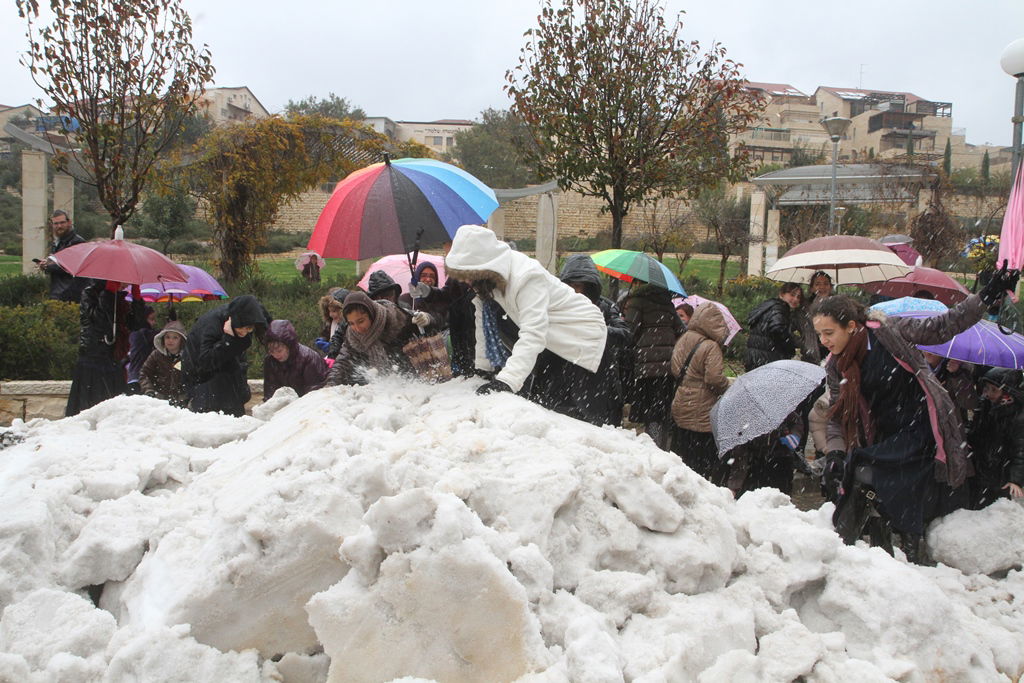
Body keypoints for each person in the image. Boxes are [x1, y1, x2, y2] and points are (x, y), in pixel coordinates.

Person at [812, 277, 1009, 562]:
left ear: (851, 326)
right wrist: (835, 452)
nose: (824, 341)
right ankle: (886, 556)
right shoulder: (836, 366)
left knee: (866, 473)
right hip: (886, 433)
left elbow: (942, 327)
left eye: (829, 333)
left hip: (921, 425)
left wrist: (985, 297)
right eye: (819, 334)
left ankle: (846, 551)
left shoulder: (888, 331)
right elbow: (837, 416)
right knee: (870, 481)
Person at [443, 225, 607, 397]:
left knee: (585, 415)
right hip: (551, 343)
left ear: (483, 267)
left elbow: (533, 332)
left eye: (469, 274)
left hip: (583, 340)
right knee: (544, 404)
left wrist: (507, 381)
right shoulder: (487, 283)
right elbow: (482, 323)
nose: (467, 281)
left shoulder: (526, 277)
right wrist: (483, 368)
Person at [528, 254, 630, 426]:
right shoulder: (553, 306)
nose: (577, 291)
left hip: (595, 386)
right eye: (572, 286)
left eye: (580, 286)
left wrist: (593, 332)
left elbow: (624, 335)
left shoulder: (606, 307)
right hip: (556, 383)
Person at [669, 302, 730, 483]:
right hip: (702, 406)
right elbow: (714, 378)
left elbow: (674, 368)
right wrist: (726, 386)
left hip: (681, 399)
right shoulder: (711, 346)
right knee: (700, 460)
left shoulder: (684, 337)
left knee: (681, 454)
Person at [65, 280, 145, 416]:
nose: (126, 284)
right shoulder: (91, 294)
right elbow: (100, 320)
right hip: (94, 357)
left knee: (115, 406)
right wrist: (109, 293)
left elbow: (135, 324)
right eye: (124, 280)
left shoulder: (120, 298)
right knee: (91, 406)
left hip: (114, 358)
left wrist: (137, 299)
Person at [182, 294, 270, 416]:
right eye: (241, 328)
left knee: (235, 405)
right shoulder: (211, 325)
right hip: (201, 376)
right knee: (215, 415)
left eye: (249, 329)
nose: (244, 332)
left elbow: (266, 321)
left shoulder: (248, 314)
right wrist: (228, 339)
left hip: (227, 368)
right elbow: (206, 361)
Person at [622, 279, 685, 445]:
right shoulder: (667, 303)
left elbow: (628, 332)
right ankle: (660, 444)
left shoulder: (637, 301)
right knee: (660, 410)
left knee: (647, 409)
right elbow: (681, 330)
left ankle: (651, 446)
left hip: (645, 366)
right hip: (667, 367)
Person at [325, 291, 417, 386]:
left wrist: (427, 319)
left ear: (371, 314)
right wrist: (331, 384)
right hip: (382, 388)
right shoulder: (352, 336)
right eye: (351, 323)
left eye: (361, 321)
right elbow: (343, 361)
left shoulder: (395, 318)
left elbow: (423, 326)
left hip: (414, 383)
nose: (357, 328)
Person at [967, 368, 1024, 508]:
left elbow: (1020, 451)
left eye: (994, 390)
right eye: (987, 389)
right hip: (982, 465)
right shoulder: (985, 406)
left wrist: (1015, 479)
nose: (989, 394)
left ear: (1007, 392)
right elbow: (976, 431)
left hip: (1001, 472)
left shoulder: (1017, 417)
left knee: (994, 507)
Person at [263, 319, 329, 399]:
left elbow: (315, 391)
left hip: (307, 404)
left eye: (279, 351)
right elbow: (270, 390)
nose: (276, 355)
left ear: (289, 346)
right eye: (272, 351)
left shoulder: (309, 358)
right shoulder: (270, 361)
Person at [745, 282, 802, 370]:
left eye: (798, 297)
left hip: (756, 357)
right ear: (781, 294)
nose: (795, 299)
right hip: (767, 359)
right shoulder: (779, 308)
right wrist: (793, 344)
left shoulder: (770, 306)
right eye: (792, 295)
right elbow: (778, 330)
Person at [37, 210, 87, 302]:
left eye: (62, 222)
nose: (59, 226)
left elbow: (70, 266)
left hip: (70, 295)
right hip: (58, 293)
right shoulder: (58, 242)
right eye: (56, 223)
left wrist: (48, 266)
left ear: (69, 223)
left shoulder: (77, 242)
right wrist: (46, 264)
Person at [140, 320, 188, 405]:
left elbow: (195, 376)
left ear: (181, 340)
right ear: (162, 339)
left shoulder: (188, 357)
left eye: (175, 337)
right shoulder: (156, 355)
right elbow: (144, 373)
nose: (170, 340)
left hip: (183, 401)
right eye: (167, 337)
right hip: (160, 400)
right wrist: (149, 390)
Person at [399, 261, 448, 334]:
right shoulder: (405, 299)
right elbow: (399, 323)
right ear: (417, 277)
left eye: (432, 276)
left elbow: (441, 319)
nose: (428, 279)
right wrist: (410, 320)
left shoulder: (440, 299)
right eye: (423, 275)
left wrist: (428, 318)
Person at [125, 306, 157, 395]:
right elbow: (162, 336)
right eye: (152, 319)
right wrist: (171, 324)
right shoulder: (143, 334)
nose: (154, 322)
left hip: (132, 376)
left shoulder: (133, 333)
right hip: (140, 379)